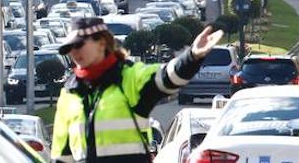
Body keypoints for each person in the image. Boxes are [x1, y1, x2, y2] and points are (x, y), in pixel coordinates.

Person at [51, 17, 222, 162]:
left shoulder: (129, 77)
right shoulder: (69, 92)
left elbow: (167, 77)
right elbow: (61, 154)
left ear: (101, 43)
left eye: (79, 45)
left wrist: (192, 57)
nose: (74, 52)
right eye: (69, 48)